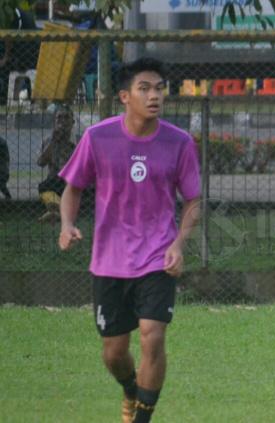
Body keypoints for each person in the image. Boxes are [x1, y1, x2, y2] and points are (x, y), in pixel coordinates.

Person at [58, 57, 201, 423]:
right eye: (144, 88)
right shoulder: (97, 138)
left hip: (157, 257)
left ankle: (141, 419)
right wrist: (67, 223)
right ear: (124, 96)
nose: (154, 95)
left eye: (159, 88)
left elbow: (193, 201)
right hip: (109, 260)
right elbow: (72, 189)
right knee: (114, 353)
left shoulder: (180, 142)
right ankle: (129, 389)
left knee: (152, 336)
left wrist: (178, 244)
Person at [37, 106, 76, 222]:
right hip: (55, 182)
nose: (63, 121)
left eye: (66, 118)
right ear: (55, 121)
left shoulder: (79, 140)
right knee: (44, 186)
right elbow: (40, 162)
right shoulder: (48, 140)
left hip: (74, 181)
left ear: (72, 122)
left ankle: (56, 212)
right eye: (59, 118)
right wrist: (54, 141)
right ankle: (57, 212)